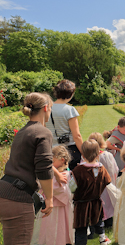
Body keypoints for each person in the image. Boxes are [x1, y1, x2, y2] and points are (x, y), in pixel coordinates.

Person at [0, 93, 54, 244]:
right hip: (18, 198)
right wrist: (49, 198)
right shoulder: (43, 132)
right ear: (45, 108)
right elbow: (44, 168)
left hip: (4, 191)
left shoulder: (23, 131)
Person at [31, 145, 74, 245]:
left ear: (62, 160)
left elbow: (61, 190)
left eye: (52, 161)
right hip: (51, 208)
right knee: (48, 228)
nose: (50, 165)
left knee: (58, 228)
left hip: (59, 208)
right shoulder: (57, 174)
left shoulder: (65, 174)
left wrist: (44, 185)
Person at [71, 140, 112, 245]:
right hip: (96, 202)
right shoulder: (101, 168)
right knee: (98, 221)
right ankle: (102, 238)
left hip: (81, 205)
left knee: (81, 229)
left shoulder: (78, 170)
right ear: (98, 153)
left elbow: (71, 188)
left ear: (83, 154)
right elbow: (108, 182)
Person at [45, 79, 83, 170]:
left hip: (52, 150)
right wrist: (85, 153)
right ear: (70, 94)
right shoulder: (70, 110)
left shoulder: (47, 108)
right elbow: (76, 135)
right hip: (69, 151)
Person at [88, 132, 119, 228]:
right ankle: (109, 223)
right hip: (107, 183)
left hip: (95, 186)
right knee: (108, 202)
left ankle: (97, 223)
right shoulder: (107, 155)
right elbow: (115, 169)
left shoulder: (87, 158)